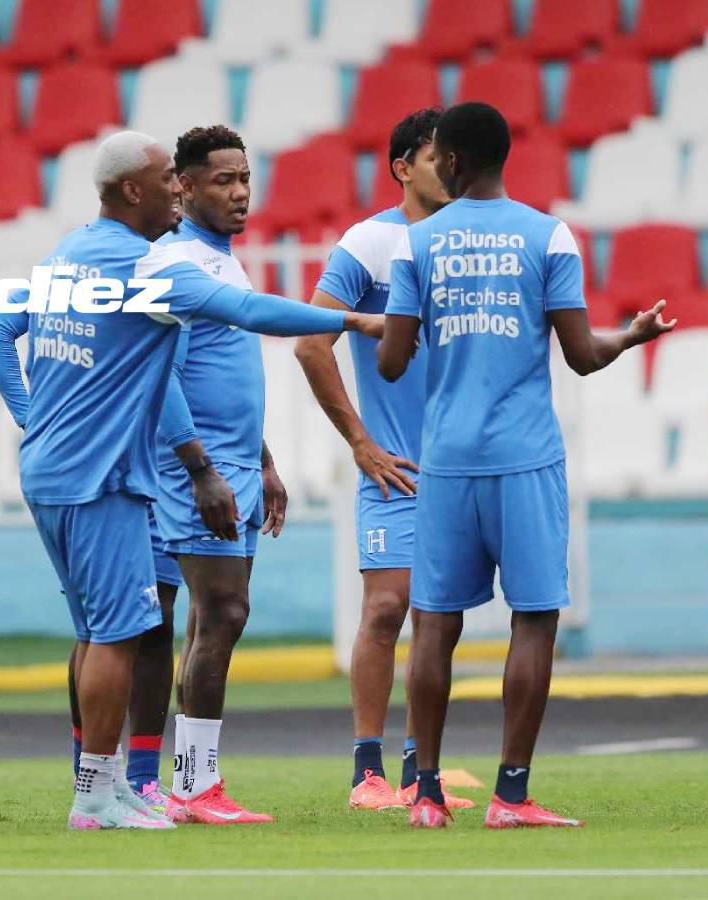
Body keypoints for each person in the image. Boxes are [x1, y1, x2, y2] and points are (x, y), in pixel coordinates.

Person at [0, 130, 382, 830]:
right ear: (134, 190)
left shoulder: (68, 253)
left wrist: (31, 416)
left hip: (56, 469)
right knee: (122, 635)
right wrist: (353, 318)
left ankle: (118, 785)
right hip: (99, 478)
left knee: (104, 632)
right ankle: (98, 798)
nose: (180, 189)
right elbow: (251, 314)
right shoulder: (150, 267)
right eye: (171, 179)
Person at [377, 102, 675, 829]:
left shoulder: (416, 243)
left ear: (449, 161)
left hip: (446, 461)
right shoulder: (549, 236)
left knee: (434, 624)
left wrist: (420, 333)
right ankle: (511, 796)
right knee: (534, 620)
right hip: (525, 457)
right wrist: (631, 339)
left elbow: (389, 363)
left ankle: (424, 795)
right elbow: (580, 354)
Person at [295, 108, 472, 812]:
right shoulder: (368, 242)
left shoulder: (473, 238)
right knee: (386, 607)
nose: (451, 171)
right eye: (438, 159)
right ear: (403, 167)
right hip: (395, 468)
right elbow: (312, 340)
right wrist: (361, 443)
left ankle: (417, 773)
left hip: (461, 466)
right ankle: (365, 772)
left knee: (437, 619)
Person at [148, 125, 286, 825]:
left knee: (214, 616)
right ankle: (191, 784)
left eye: (244, 180)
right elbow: (162, 378)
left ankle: (188, 783)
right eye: (223, 181)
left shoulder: (225, 261)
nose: (238, 194)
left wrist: (261, 460)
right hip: (196, 468)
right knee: (221, 613)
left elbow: (227, 375)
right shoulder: (176, 263)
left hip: (235, 464)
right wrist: (201, 470)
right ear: (185, 185)